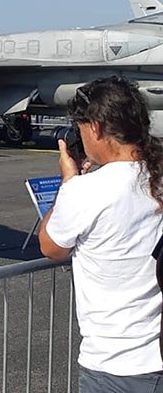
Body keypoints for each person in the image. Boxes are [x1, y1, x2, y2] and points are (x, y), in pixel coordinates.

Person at [38, 77, 163, 389]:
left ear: (95, 128)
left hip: (114, 365)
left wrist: (68, 182)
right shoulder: (156, 176)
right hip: (156, 355)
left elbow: (51, 247)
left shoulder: (87, 191)